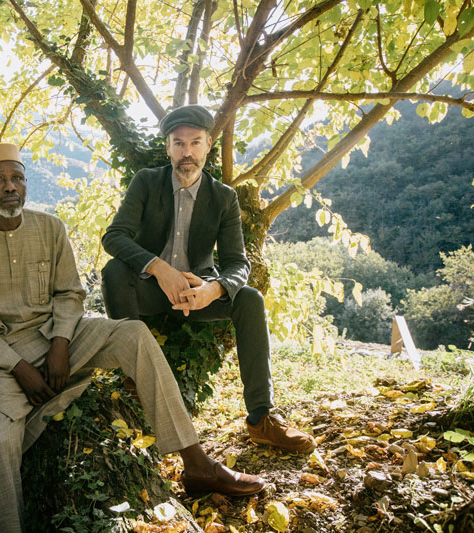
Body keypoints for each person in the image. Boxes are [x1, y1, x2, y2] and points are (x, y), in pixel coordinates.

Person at [0, 143, 267, 533]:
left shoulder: (50, 228)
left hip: (59, 336)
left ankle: (196, 463)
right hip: (1, 361)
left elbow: (70, 294)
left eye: (17, 178)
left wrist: (60, 344)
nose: (10, 187)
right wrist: (19, 367)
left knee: (133, 334)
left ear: (26, 185)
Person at [101, 105, 317, 455]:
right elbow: (114, 237)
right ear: (168, 147)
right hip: (149, 292)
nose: (187, 153)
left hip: (197, 296)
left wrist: (211, 290)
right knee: (113, 272)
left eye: (195, 143)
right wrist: (159, 268)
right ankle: (133, 383)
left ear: (208, 146)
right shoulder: (146, 181)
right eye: (179, 144)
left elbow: (237, 263)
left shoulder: (224, 197)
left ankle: (261, 418)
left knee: (249, 299)